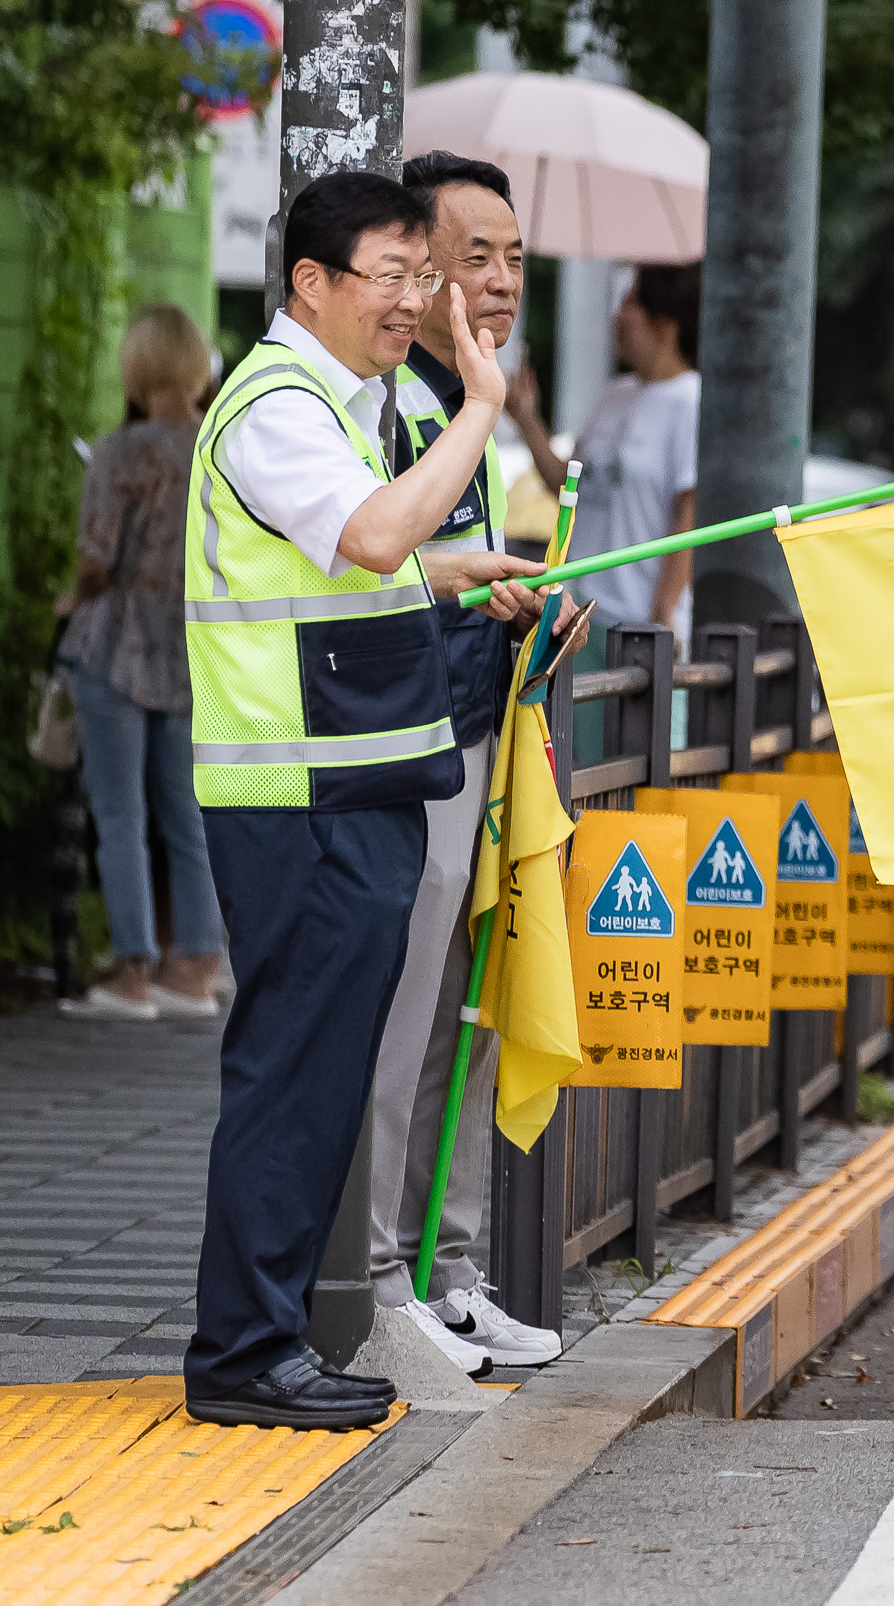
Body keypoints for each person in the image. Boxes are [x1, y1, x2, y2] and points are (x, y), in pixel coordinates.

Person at [181, 171, 558, 1431]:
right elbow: (375, 538)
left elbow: (376, 563)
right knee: (293, 1069)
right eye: (394, 276)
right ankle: (242, 1349)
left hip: (354, 779)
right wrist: (487, 409)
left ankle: (266, 1337)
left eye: (421, 274)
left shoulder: (353, 402)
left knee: (320, 1069)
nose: (418, 300)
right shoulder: (280, 405)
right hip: (297, 792)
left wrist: (460, 573)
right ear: (312, 284)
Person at [365, 148, 573, 1378]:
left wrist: (533, 614)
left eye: (512, 258)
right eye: (472, 256)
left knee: (461, 1022)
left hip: (479, 746)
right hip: (417, 761)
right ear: (415, 270)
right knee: (405, 1027)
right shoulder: (396, 409)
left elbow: (449, 585)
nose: (497, 282)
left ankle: (446, 1276)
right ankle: (385, 1284)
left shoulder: (467, 406)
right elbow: (376, 577)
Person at [55, 304, 226, 1023]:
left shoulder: (120, 454)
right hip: (188, 650)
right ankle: (198, 963)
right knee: (186, 813)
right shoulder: (223, 450)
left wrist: (68, 598)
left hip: (116, 646)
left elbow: (98, 560)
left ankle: (131, 971)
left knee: (120, 811)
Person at [504, 263, 701, 645]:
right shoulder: (614, 394)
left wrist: (662, 617)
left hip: (637, 621)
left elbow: (687, 515)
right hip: (578, 610)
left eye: (630, 304)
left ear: (666, 324)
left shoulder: (690, 400)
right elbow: (566, 485)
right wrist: (527, 419)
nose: (617, 317)